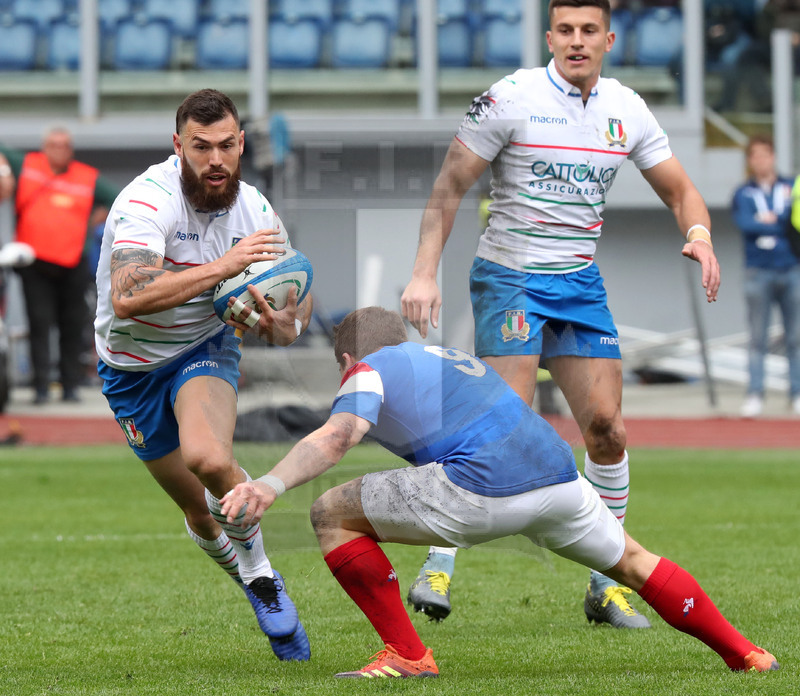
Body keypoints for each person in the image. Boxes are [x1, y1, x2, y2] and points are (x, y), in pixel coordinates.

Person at [220, 306, 778, 678]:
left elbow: (339, 436)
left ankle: (409, 655)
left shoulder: (368, 368)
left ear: (347, 359)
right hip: (559, 477)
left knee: (329, 513)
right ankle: (745, 654)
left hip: (480, 488)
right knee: (633, 560)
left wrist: (270, 483)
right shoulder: (442, 358)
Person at [400, 0, 721, 627]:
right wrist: (422, 273)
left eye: (588, 31)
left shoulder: (625, 109)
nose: (577, 41)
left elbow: (681, 190)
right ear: (550, 36)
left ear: (609, 39)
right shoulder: (512, 97)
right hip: (510, 277)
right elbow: (450, 185)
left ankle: (605, 584)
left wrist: (702, 235)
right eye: (566, 31)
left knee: (608, 430)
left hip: (579, 284)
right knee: (502, 427)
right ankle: (437, 562)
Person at [93, 89, 313, 661]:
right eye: (201, 147)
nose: (216, 159)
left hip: (203, 348)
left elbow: (295, 287)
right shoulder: (147, 200)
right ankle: (245, 573)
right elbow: (129, 295)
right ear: (178, 146)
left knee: (211, 459)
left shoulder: (256, 210)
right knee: (198, 510)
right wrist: (224, 267)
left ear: (241, 144)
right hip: (131, 369)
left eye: (226, 146)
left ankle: (262, 576)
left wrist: (284, 322)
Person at [0, 131, 118, 404]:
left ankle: (70, 386)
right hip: (35, 264)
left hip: (72, 262)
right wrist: (5, 172)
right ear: (44, 148)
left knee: (72, 326)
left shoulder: (86, 176)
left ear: (71, 150)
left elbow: (115, 197)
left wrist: (93, 221)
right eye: (53, 145)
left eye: (65, 146)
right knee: (39, 325)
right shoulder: (27, 166)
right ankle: (40, 388)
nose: (59, 150)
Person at [732, 134, 800, 417]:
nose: (761, 160)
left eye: (765, 154)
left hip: (791, 268)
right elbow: (747, 225)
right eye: (755, 156)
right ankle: (755, 394)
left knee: (795, 336)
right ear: (750, 161)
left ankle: (796, 394)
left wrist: (772, 223)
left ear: (773, 157)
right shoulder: (743, 193)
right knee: (757, 337)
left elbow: (791, 222)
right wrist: (777, 224)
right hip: (758, 271)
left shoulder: (790, 186)